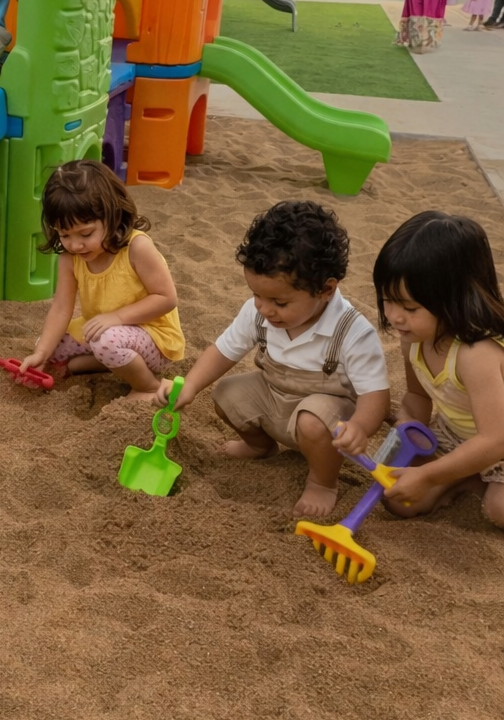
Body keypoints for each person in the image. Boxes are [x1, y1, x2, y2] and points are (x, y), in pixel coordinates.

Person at [155, 201, 389, 520]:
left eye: (279, 301)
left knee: (311, 420)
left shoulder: (351, 331)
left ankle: (322, 481)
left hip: (325, 414)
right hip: (274, 395)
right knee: (226, 394)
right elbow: (224, 350)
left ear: (326, 289)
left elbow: (376, 396)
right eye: (256, 295)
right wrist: (191, 386)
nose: (264, 309)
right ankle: (261, 446)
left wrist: (360, 427)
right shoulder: (260, 312)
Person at [372, 211, 504, 527]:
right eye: (387, 300)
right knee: (399, 499)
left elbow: (495, 440)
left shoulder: (475, 354)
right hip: (454, 435)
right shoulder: (414, 338)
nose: (394, 316)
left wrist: (428, 475)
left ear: (456, 299)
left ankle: (473, 479)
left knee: (499, 510)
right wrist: (404, 432)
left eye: (410, 308)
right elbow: (417, 399)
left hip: (498, 443)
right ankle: (469, 476)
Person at [17, 159, 184, 397]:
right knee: (48, 347)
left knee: (106, 341)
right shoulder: (69, 258)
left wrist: (117, 317)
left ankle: (148, 386)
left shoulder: (136, 248)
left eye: (86, 233)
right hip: (106, 329)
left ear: (112, 215)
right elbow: (61, 308)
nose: (75, 244)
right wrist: (42, 353)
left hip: (153, 336)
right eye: (64, 234)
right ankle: (107, 363)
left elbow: (166, 298)